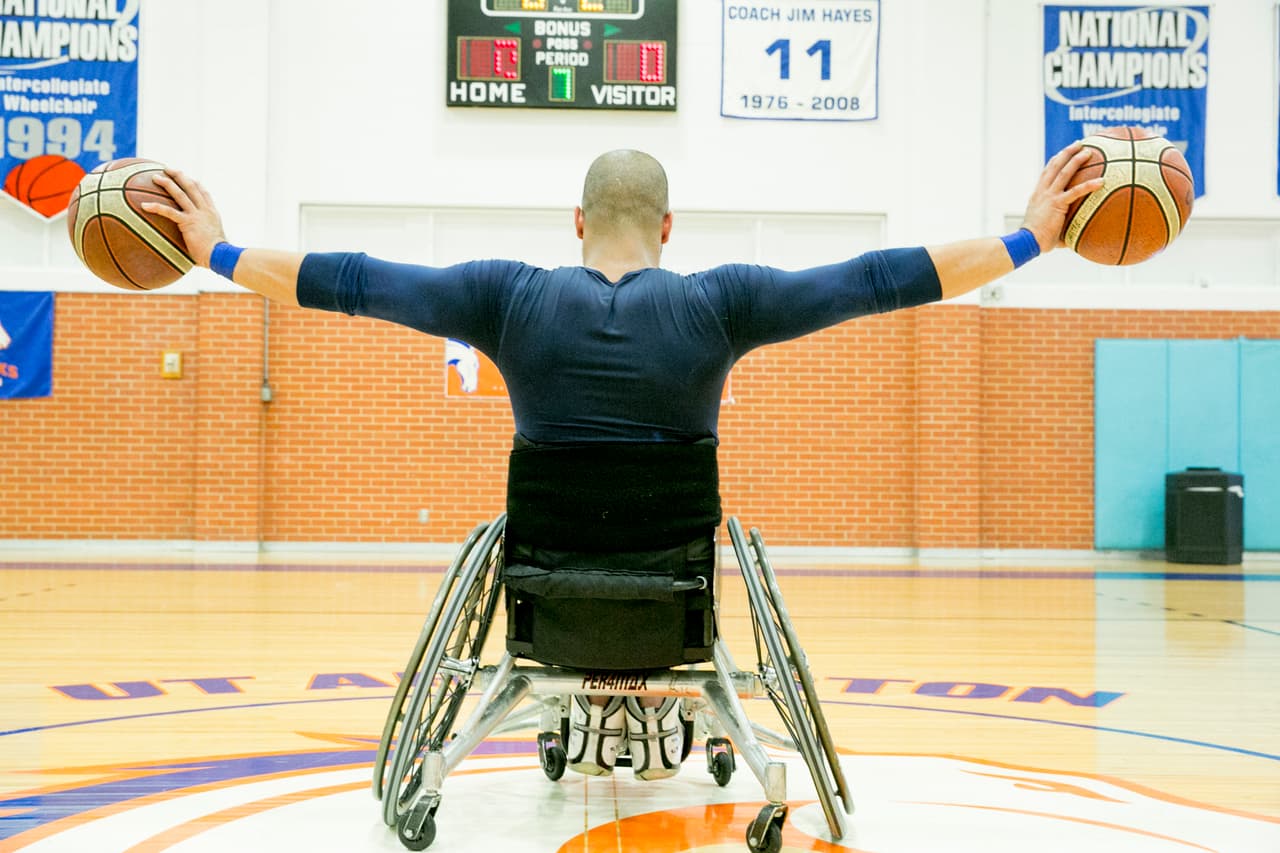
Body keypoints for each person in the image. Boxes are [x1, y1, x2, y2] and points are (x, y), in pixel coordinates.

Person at [144, 145, 1101, 779]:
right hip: (673, 601)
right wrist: (1030, 238)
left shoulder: (504, 296)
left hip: (545, 603)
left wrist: (216, 251)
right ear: (668, 227)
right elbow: (875, 282)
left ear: (576, 221)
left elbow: (351, 283)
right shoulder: (721, 301)